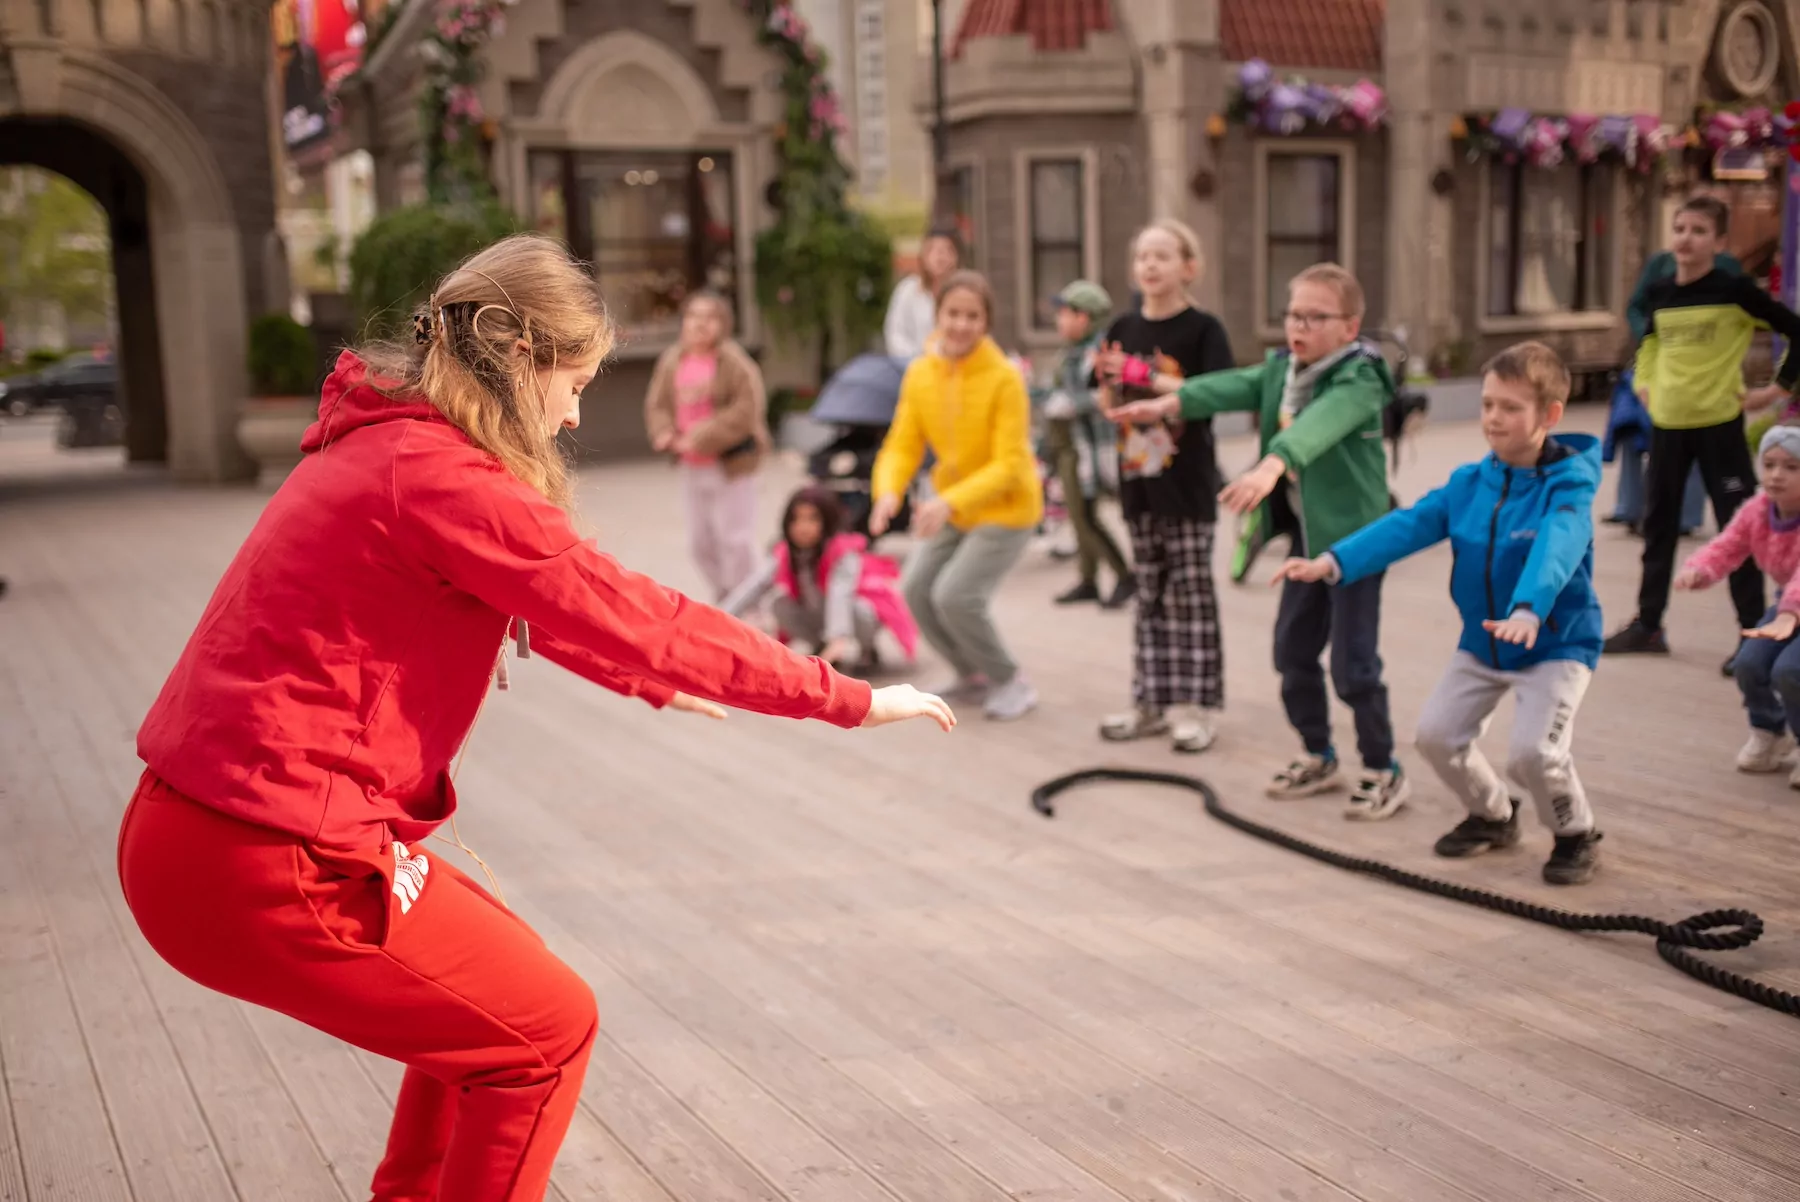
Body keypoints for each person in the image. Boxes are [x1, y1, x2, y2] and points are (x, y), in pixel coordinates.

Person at [117, 234, 954, 1202]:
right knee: (543, 1033)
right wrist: (845, 696)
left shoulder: (395, 445)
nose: (575, 409)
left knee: (495, 999)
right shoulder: (440, 474)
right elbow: (630, 608)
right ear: (520, 357)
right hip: (264, 852)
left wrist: (643, 678)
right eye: (576, 378)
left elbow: (507, 596)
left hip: (218, 827)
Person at [1276, 342, 1606, 884]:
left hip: (1555, 644)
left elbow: (1560, 544)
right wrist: (1333, 562)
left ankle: (1575, 833)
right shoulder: (1470, 484)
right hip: (1483, 643)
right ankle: (1493, 814)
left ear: (1550, 415)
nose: (1494, 418)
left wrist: (1529, 608)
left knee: (1532, 754)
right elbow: (1406, 525)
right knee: (1435, 736)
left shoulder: (1569, 486)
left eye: (1511, 407)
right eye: (1488, 404)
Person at [1110, 263, 1404, 816]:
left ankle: (1383, 767)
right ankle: (1319, 753)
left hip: (1357, 545)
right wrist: (1167, 403)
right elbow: (1228, 385)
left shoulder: (1362, 378)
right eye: (1294, 314)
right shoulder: (1283, 370)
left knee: (1353, 666)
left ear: (1350, 326)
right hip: (1307, 544)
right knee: (1291, 652)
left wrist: (1272, 465)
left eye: (1317, 317)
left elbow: (1323, 422)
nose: (1300, 326)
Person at [1605, 196, 1800, 660]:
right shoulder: (1659, 291)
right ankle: (1649, 626)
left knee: (1743, 529)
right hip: (1668, 426)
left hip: (1720, 426)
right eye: (1679, 228)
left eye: (1697, 230)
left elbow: (1797, 331)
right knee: (1658, 527)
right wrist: (1646, 385)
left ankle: (1752, 633)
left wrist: (1775, 391)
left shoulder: (1734, 291)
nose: (1685, 238)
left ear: (1720, 241)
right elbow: (1648, 346)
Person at [869, 270, 1043, 720]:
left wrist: (948, 502)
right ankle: (973, 674)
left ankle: (1010, 680)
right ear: (937, 314)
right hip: (954, 506)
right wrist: (888, 491)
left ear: (986, 322)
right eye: (953, 313)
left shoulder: (1005, 378)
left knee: (956, 595)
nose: (961, 324)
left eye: (973, 316)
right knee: (915, 589)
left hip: (1009, 508)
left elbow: (1009, 464)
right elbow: (902, 444)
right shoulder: (920, 373)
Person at [1092, 220, 1235, 753]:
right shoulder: (1123, 325)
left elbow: (1216, 393)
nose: (1150, 265)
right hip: (1137, 485)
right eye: (1143, 256)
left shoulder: (1203, 329)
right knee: (1149, 593)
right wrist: (1107, 382)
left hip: (1188, 485)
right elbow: (1105, 406)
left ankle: (1196, 707)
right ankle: (1150, 701)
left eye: (1163, 256)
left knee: (1191, 594)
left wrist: (1146, 375)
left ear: (1188, 267)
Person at [1678, 423, 1800, 784]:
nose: (1776, 475)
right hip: (1786, 605)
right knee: (1748, 663)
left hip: (1794, 604)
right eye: (1769, 464)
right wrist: (1699, 569)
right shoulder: (1758, 510)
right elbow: (1728, 545)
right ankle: (1769, 731)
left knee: (1790, 671)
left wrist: (1790, 614)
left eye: (1791, 467)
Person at [644, 289, 770, 601]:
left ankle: (750, 602)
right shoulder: (674, 359)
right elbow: (657, 403)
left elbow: (747, 409)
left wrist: (701, 436)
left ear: (724, 325)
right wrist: (663, 431)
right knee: (700, 544)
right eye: (694, 316)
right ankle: (727, 596)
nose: (701, 324)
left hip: (730, 464)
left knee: (735, 540)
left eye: (710, 318)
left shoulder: (734, 362)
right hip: (691, 465)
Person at [721, 485, 919, 674]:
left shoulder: (842, 551)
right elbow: (754, 586)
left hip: (855, 613)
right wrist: (719, 617)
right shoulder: (784, 552)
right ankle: (822, 646)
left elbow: (840, 593)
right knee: (779, 603)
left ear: (827, 521)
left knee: (856, 608)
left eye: (812, 519)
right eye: (796, 520)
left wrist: (838, 637)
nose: (803, 527)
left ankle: (864, 649)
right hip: (817, 612)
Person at [1037, 278, 1132, 608]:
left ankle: (1124, 574)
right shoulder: (1071, 354)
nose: (1058, 320)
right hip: (1066, 447)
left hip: (1085, 448)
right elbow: (1053, 395)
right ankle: (1088, 579)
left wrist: (1069, 403)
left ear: (1084, 318)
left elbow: (1103, 398)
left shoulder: (1097, 355)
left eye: (1064, 313)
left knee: (1086, 516)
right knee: (1078, 516)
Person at [883, 228, 961, 362]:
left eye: (947, 250)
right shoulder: (908, 290)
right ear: (923, 256)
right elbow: (895, 334)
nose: (940, 257)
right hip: (914, 366)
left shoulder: (965, 292)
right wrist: (918, 361)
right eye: (933, 251)